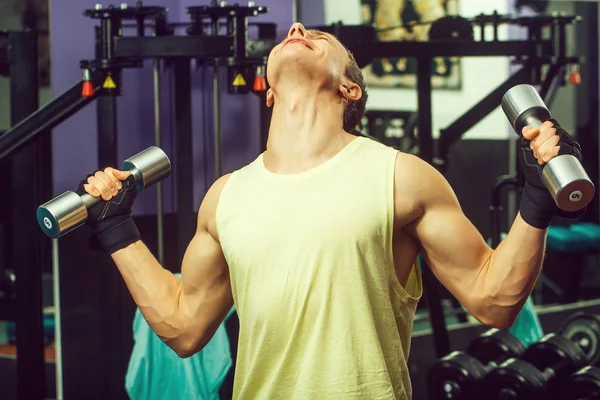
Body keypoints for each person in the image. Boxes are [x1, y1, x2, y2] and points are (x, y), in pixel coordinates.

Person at [78, 23, 585, 399]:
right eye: (292, 33)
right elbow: (184, 326)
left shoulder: (401, 176)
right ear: (269, 91)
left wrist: (537, 201)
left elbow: (494, 302)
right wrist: (118, 230)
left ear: (349, 88)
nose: (296, 28)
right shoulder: (225, 196)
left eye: (317, 36)